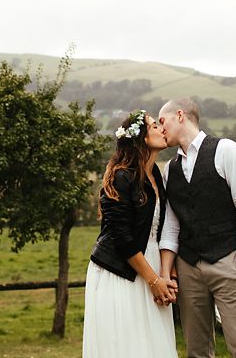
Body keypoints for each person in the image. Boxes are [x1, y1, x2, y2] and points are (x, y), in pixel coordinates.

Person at [158, 97, 236, 358]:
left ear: (180, 115)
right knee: (197, 350)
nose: (161, 128)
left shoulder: (225, 150)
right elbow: (171, 227)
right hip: (188, 266)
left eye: (163, 121)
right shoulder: (170, 169)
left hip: (228, 260)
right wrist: (165, 273)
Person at [83, 110, 178, 358]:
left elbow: (162, 227)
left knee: (154, 341)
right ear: (142, 137)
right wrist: (154, 281)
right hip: (121, 271)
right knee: (128, 343)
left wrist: (166, 274)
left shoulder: (156, 174)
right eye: (154, 125)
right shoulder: (120, 177)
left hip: (152, 263)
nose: (161, 128)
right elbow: (121, 238)